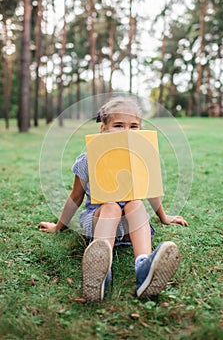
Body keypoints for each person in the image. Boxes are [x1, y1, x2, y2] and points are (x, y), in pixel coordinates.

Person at [38, 97, 188, 302]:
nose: (127, 131)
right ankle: (101, 272)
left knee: (136, 203)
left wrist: (164, 217)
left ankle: (143, 267)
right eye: (118, 125)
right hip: (99, 220)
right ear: (103, 129)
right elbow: (76, 196)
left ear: (141, 129)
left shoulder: (142, 156)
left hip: (130, 228)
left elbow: (151, 191)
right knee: (111, 206)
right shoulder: (88, 159)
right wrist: (58, 226)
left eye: (134, 126)